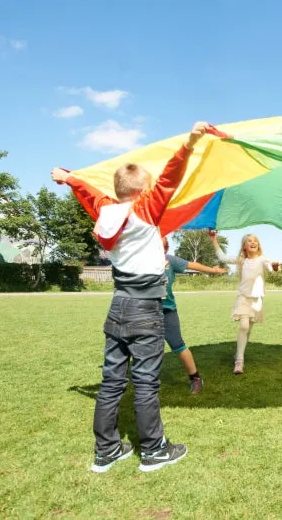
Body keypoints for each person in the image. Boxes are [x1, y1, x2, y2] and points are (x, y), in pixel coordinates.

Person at [51, 121, 210, 473]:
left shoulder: (106, 212)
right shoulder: (146, 210)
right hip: (146, 310)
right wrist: (190, 142)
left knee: (111, 381)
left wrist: (69, 178)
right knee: (146, 382)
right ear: (144, 191)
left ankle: (106, 450)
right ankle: (153, 451)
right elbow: (171, 176)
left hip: (118, 306)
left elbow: (91, 195)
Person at [161, 234, 227, 394]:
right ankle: (145, 379)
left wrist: (214, 270)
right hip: (145, 311)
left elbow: (193, 265)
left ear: (166, 248)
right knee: (145, 346)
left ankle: (195, 378)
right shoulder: (140, 260)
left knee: (177, 345)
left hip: (167, 310)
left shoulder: (170, 261)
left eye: (161, 245)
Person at [209, 231, 279, 374]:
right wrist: (213, 239)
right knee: (244, 326)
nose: (253, 242)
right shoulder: (241, 260)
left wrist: (276, 266)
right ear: (244, 246)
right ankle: (239, 361)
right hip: (243, 298)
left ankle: (239, 353)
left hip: (257, 300)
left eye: (255, 240)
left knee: (248, 330)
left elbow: (272, 270)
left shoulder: (262, 259)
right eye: (249, 241)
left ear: (258, 245)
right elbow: (222, 257)